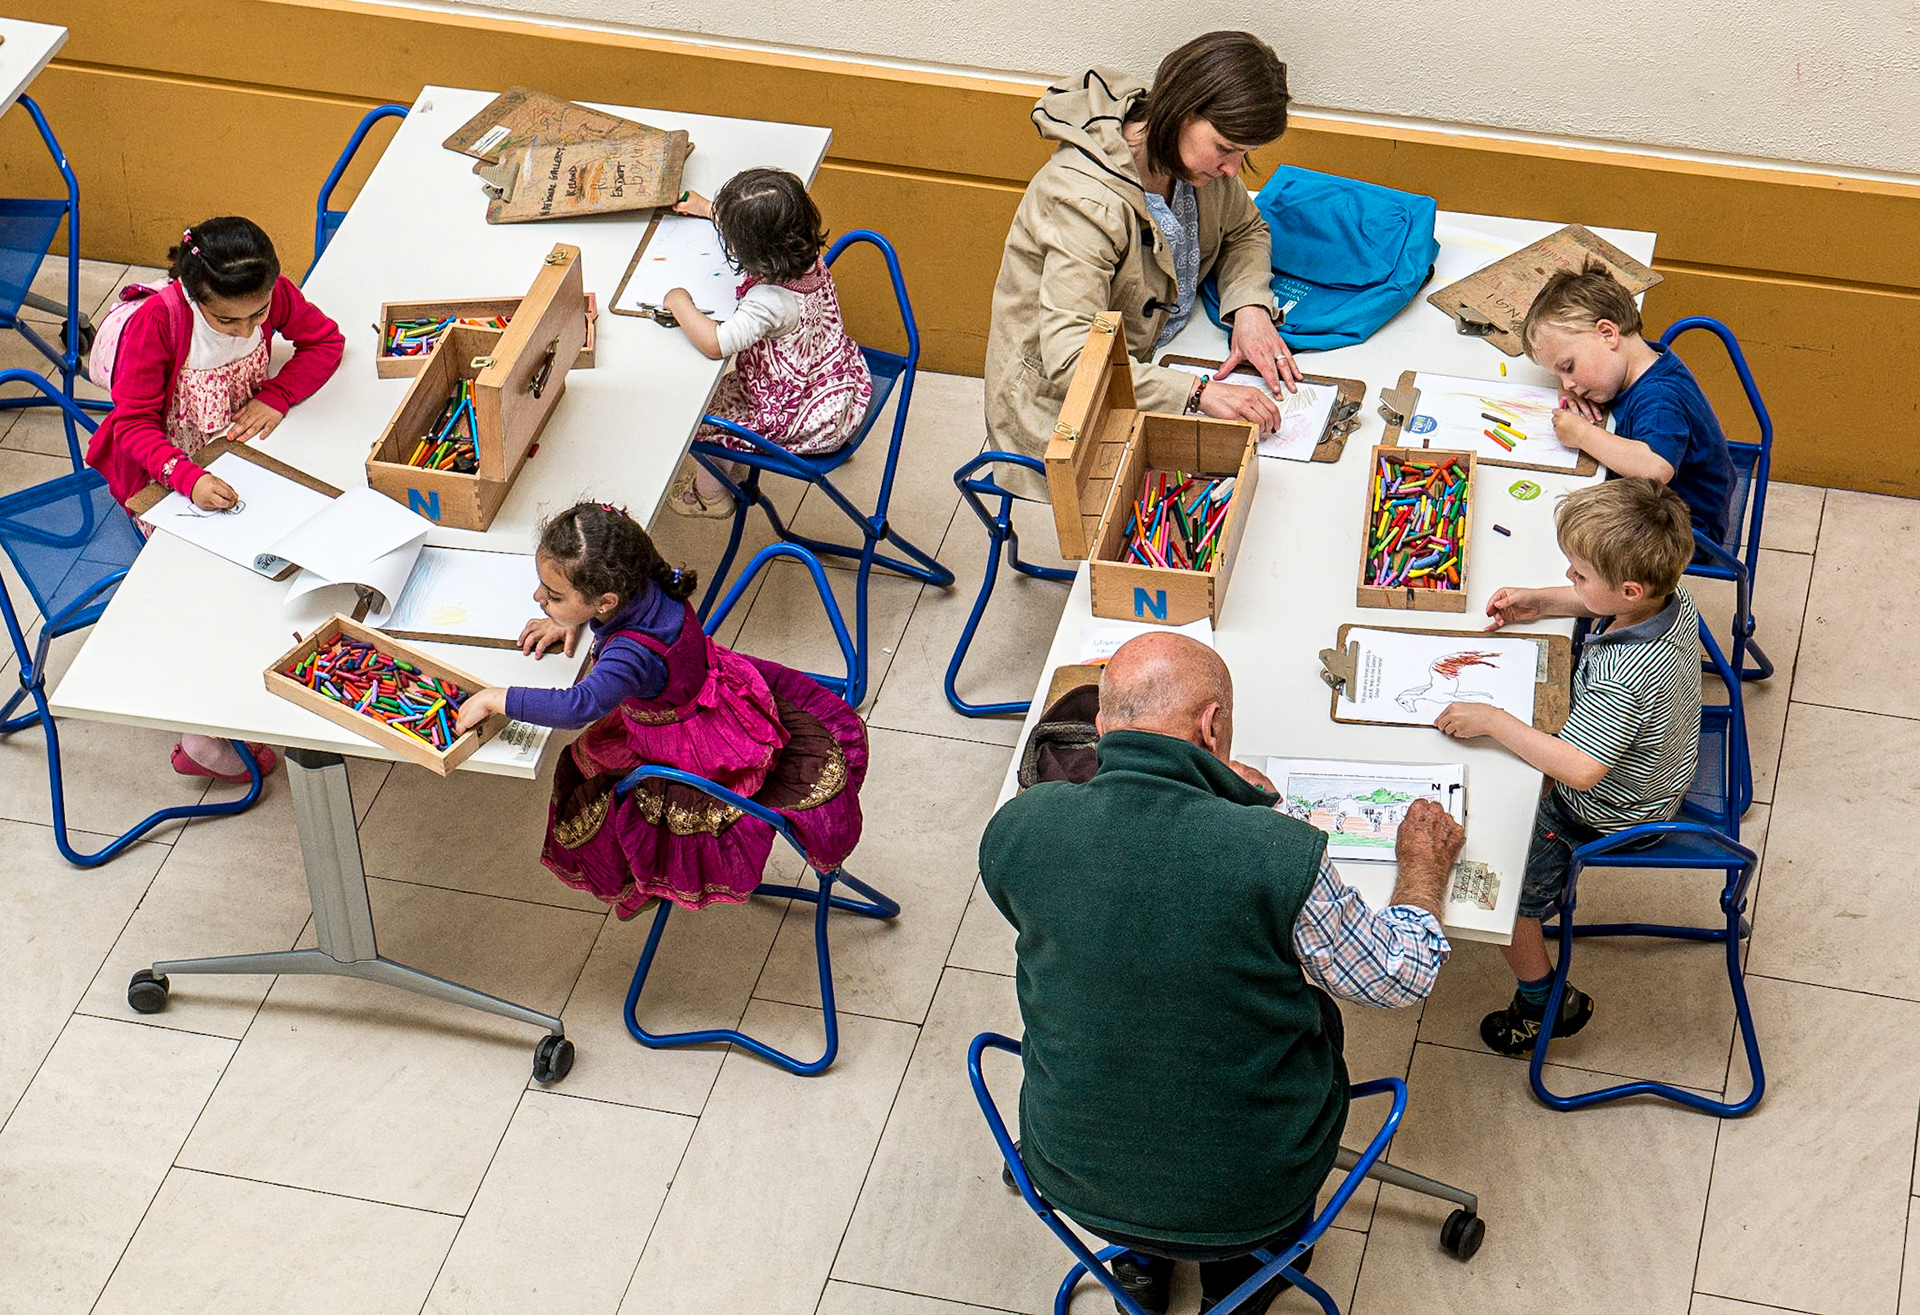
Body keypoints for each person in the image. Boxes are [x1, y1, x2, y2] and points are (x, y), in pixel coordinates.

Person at [979, 633, 1463, 1315]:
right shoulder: (1274, 850)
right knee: (1305, 1026)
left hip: (1072, 1171)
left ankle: (1139, 1270)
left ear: (1102, 726)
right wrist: (1420, 870)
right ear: (1212, 726)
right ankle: (1235, 1287)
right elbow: (1398, 975)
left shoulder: (1018, 825)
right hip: (1248, 1195)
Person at [454, 502, 867, 916]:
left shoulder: (631, 654)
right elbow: (600, 611)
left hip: (690, 745)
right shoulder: (643, 572)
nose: (537, 597)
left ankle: (638, 881)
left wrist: (496, 697)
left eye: (554, 596)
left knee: (582, 774)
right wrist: (569, 618)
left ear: (605, 601)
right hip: (718, 693)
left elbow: (579, 706)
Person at [1436, 479, 1702, 1055]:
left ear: (1629, 589)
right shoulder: (1669, 599)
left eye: (1577, 576)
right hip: (1650, 767)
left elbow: (1580, 771)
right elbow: (1604, 601)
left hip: (1608, 814)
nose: (1568, 581)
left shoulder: (1625, 675)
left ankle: (1542, 1000)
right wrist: (1545, 602)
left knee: (1497, 884)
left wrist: (1495, 721)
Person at [985, 31, 1299, 499]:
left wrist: (1250, 308)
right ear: (1182, 111)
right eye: (1225, 149)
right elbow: (1074, 358)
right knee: (1209, 512)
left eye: (1244, 155)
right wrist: (1195, 394)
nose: (1234, 171)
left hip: (1162, 356)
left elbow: (1246, 230)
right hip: (1062, 405)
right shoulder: (1084, 201)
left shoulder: (1191, 157)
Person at [86, 215, 344, 782]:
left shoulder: (268, 294)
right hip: (164, 469)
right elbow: (131, 426)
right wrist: (186, 476)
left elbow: (325, 341)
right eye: (228, 319)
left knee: (282, 563)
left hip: (234, 449)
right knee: (216, 589)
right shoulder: (158, 323)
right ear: (190, 289)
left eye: (258, 315)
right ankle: (201, 734)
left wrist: (277, 395)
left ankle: (254, 685)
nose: (248, 327)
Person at [659, 168, 873, 518]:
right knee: (718, 404)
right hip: (839, 387)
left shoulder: (769, 302)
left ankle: (709, 497)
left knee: (703, 417)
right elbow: (765, 224)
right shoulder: (804, 254)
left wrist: (678, 301)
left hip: (794, 415)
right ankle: (729, 471)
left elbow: (716, 343)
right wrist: (706, 207)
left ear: (749, 248)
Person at [1522, 263, 1736, 547]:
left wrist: (1584, 435)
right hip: (1663, 504)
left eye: (1569, 367)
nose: (1568, 383)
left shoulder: (1660, 398)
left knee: (1563, 536)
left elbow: (1655, 469)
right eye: (1559, 375)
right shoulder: (1634, 360)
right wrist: (1570, 386)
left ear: (1608, 334)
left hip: (1684, 529)